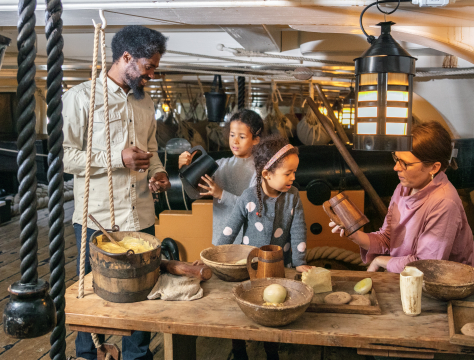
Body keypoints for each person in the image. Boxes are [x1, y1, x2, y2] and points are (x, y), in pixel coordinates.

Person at [62, 25, 170, 360]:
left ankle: (138, 355)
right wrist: (116, 158)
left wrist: (158, 173)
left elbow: (150, 148)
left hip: (140, 214)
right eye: (148, 66)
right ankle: (88, 354)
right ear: (126, 58)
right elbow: (64, 155)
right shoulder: (80, 98)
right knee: (92, 291)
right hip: (97, 216)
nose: (152, 73)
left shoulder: (145, 101)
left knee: (143, 289)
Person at [330, 121, 474, 273]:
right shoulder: (403, 188)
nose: (396, 168)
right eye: (396, 158)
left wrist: (380, 260)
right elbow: (387, 239)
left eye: (405, 164)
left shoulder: (444, 203)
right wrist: (353, 234)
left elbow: (425, 265)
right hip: (410, 278)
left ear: (434, 167)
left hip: (448, 286)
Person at [216, 135, 313, 360]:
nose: (293, 177)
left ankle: (272, 350)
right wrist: (216, 257)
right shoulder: (248, 197)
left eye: (294, 172)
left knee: (274, 306)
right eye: (287, 173)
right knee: (242, 310)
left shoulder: (293, 197)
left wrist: (299, 263)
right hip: (250, 267)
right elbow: (229, 230)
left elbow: (299, 230)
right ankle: (239, 350)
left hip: (280, 266)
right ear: (267, 174)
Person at [178, 109, 264, 244]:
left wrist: (221, 194)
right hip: (221, 240)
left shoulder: (260, 171)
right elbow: (194, 192)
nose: (235, 141)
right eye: (232, 135)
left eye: (242, 137)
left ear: (256, 140)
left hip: (248, 242)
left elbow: (253, 207)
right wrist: (185, 169)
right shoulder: (219, 165)